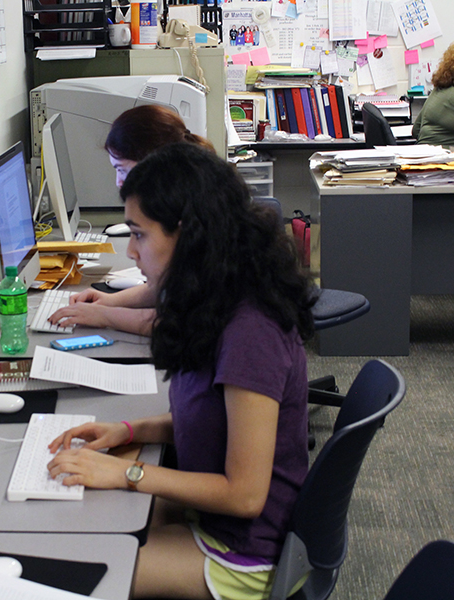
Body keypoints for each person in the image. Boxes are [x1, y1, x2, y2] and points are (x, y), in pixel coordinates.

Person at [47, 143, 316, 600]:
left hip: (242, 555)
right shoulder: (216, 295)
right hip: (217, 522)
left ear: (188, 235)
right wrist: (129, 429)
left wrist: (126, 475)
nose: (130, 251)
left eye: (139, 234)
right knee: (76, 521)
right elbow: (214, 421)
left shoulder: (250, 331)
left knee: (71, 574)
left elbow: (245, 494)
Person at [48, 105, 214, 336]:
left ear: (154, 165)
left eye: (123, 170)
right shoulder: (187, 198)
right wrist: (109, 302)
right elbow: (166, 287)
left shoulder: (198, 218)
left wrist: (104, 315)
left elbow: (178, 321)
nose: (118, 182)